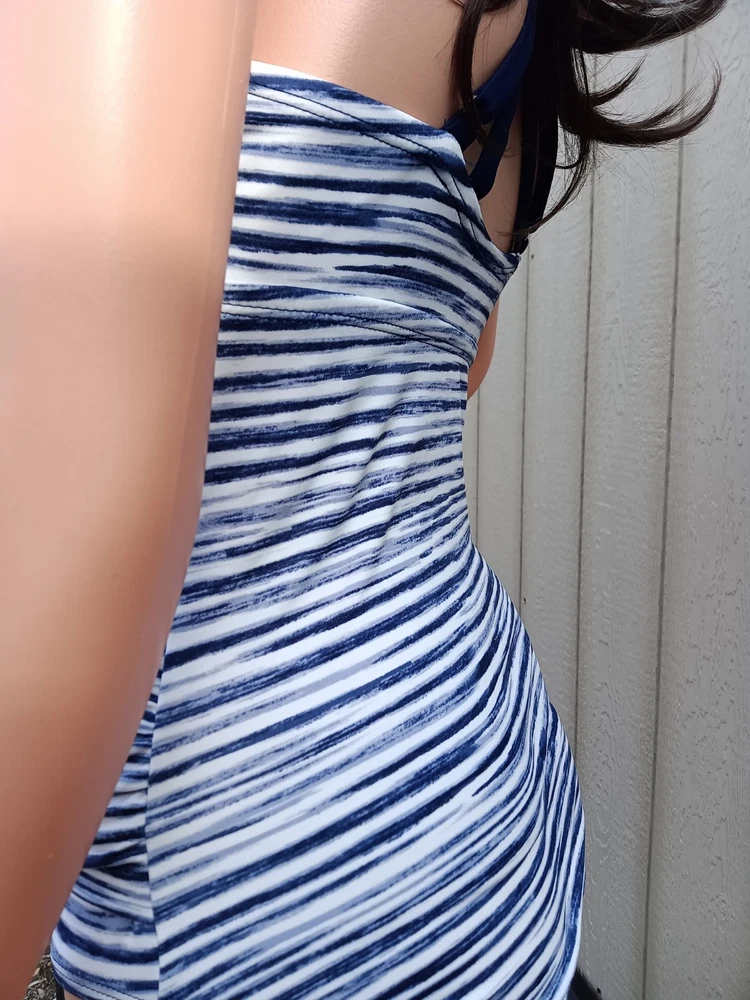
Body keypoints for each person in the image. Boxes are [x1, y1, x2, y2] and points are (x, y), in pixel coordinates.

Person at [0, 1, 725, 998]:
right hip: (480, 815)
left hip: (262, 907)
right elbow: (446, 361)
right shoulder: (500, 42)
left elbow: (83, 513)